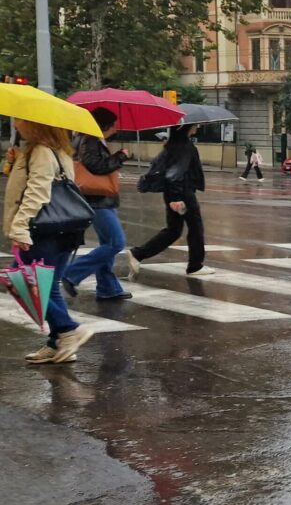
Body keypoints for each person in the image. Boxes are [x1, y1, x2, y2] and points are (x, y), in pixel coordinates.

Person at [4, 119, 93, 364]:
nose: (17, 125)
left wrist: (20, 227)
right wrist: (14, 163)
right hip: (62, 228)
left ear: (35, 125)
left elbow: (38, 191)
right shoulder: (58, 151)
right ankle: (57, 343)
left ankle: (68, 329)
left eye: (20, 121)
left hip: (42, 229)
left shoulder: (41, 151)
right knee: (48, 286)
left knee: (19, 278)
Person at [62, 108, 131, 301]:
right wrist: (120, 156)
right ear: (104, 125)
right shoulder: (90, 140)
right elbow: (97, 167)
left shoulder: (87, 139)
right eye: (113, 124)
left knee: (107, 244)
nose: (115, 128)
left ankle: (108, 288)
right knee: (116, 243)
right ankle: (71, 273)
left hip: (98, 199)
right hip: (97, 200)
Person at [129, 124, 213, 278]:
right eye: (195, 125)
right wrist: (177, 198)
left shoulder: (173, 144)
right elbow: (174, 173)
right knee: (195, 228)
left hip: (173, 192)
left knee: (174, 231)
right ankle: (195, 265)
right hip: (182, 193)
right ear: (187, 127)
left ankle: (138, 254)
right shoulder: (184, 146)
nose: (198, 127)